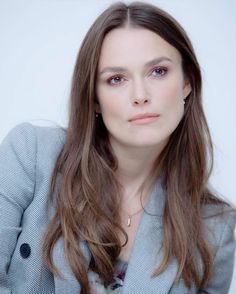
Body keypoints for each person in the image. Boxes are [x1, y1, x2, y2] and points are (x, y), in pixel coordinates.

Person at [0, 1, 235, 293]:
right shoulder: (30, 154)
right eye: (116, 79)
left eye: (158, 72)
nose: (140, 95)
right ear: (94, 98)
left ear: (187, 81)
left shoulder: (214, 229)